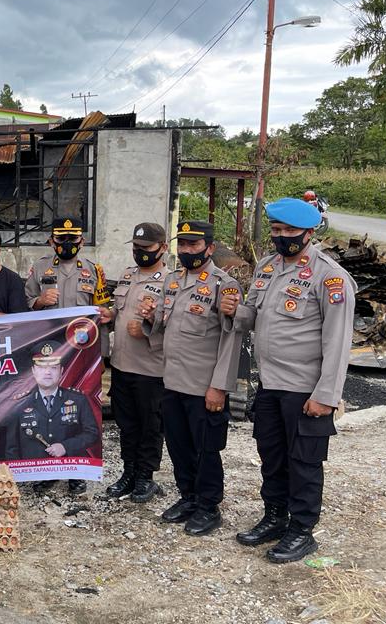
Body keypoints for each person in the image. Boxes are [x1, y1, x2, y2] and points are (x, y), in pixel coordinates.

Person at [221, 198, 355, 563]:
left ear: (309, 233)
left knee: (304, 463)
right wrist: (238, 312)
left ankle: (302, 531)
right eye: (276, 231)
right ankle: (276, 517)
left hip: (306, 389)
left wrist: (326, 394)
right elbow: (254, 318)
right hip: (270, 384)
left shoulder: (330, 277)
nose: (281, 238)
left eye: (289, 232)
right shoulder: (268, 267)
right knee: (272, 457)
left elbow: (338, 341)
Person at [138, 220, 242, 536]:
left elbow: (231, 341)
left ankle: (208, 507)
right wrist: (149, 317)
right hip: (172, 381)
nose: (186, 250)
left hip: (203, 385)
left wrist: (219, 387)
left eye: (193, 245)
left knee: (206, 449)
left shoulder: (225, 285)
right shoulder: (172, 281)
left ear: (209, 248)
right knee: (179, 445)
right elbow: (163, 329)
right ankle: (188, 497)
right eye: (182, 245)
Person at [24, 215, 110, 495]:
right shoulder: (39, 268)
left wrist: (104, 357)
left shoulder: (94, 271)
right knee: (46, 410)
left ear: (82, 241)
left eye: (73, 239)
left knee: (77, 410)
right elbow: (24, 306)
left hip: (82, 355)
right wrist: (39, 301)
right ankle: (48, 469)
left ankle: (76, 469)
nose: (67, 244)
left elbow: (103, 312)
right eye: (61, 239)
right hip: (49, 352)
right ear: (52, 241)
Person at [101, 222, 168, 503]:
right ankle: (128, 472)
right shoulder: (127, 276)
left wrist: (149, 326)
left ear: (162, 249)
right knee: (126, 424)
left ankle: (145, 477)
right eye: (136, 248)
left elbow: (176, 326)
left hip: (150, 368)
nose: (140, 253)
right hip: (122, 364)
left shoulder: (171, 281)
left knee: (150, 425)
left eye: (146, 248)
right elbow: (119, 311)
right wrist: (109, 317)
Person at [5, 342, 100, 463]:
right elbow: (11, 448)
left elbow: (92, 434)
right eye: (42, 367)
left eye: (53, 367)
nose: (48, 372)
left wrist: (66, 446)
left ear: (61, 371)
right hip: (34, 475)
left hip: (70, 470)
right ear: (33, 371)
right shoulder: (19, 404)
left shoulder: (78, 400)